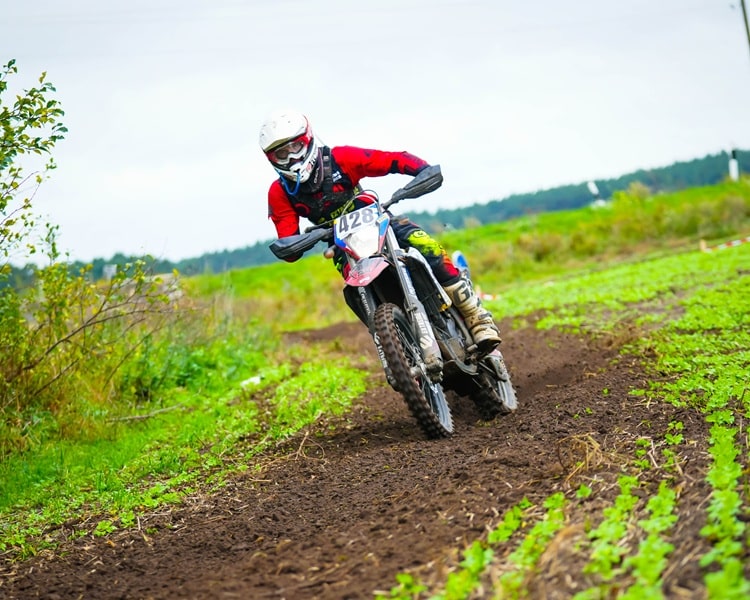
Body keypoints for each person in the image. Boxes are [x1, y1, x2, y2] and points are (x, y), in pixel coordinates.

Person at [259, 109, 501, 351]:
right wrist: (295, 244)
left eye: (295, 147)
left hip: (381, 224)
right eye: (282, 153)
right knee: (354, 290)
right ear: (272, 158)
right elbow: (288, 240)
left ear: (308, 140)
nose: (291, 157)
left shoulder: (339, 159)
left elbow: (389, 159)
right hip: (343, 247)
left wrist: (422, 170)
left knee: (426, 245)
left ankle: (477, 317)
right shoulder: (280, 193)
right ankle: (394, 346)